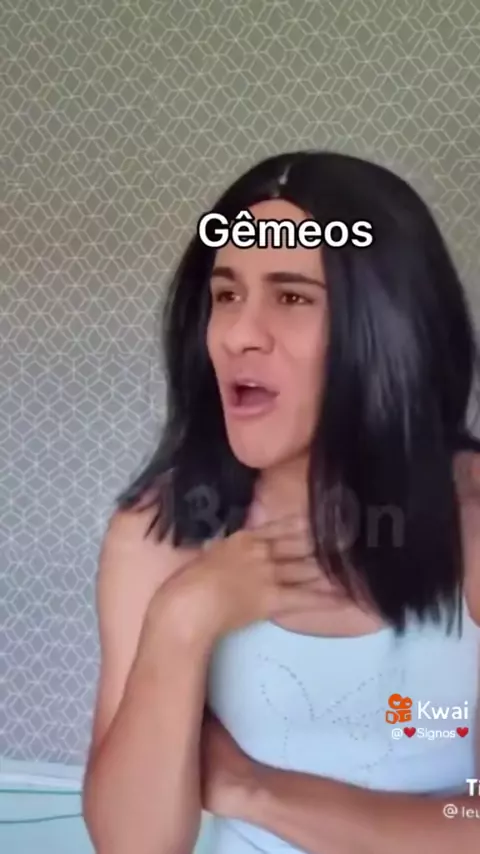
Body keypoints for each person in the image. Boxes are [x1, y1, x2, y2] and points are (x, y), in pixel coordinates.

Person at [82, 150, 480, 854]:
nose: (238, 333)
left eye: (292, 297)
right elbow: (133, 844)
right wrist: (181, 621)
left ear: (387, 325)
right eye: (226, 295)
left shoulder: (471, 520)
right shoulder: (157, 534)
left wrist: (251, 788)